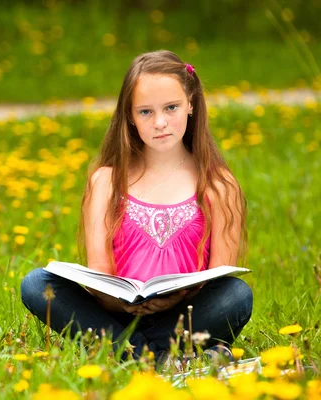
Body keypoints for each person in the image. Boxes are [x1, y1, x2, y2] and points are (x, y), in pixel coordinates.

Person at [20, 50, 253, 364]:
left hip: (185, 320)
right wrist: (124, 305)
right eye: (145, 112)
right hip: (116, 318)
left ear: (191, 103)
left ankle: (130, 356)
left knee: (236, 294)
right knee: (37, 284)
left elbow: (220, 280)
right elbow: (99, 278)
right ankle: (161, 360)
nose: (160, 122)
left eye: (171, 107)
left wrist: (178, 297)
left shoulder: (218, 185)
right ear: (129, 115)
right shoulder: (107, 181)